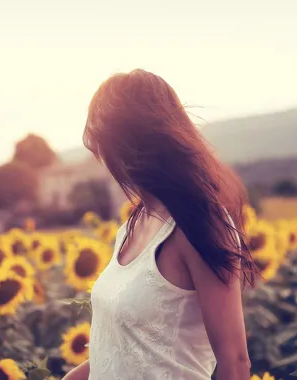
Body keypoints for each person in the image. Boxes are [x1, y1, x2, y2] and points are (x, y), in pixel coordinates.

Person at [63, 69, 258, 380]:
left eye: (104, 146)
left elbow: (234, 362)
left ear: (130, 145)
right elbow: (128, 345)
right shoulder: (132, 227)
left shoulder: (199, 224)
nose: (102, 160)